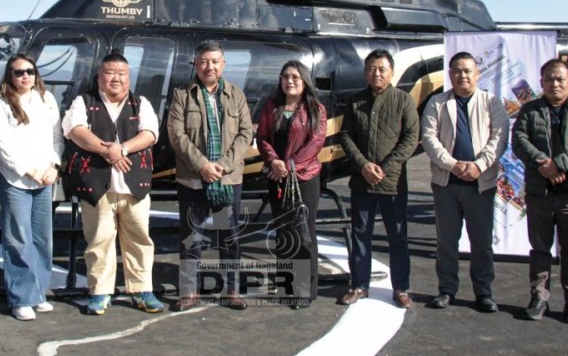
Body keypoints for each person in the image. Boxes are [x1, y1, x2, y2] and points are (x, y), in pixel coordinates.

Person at [61, 52, 164, 315]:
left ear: (129, 78)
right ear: (99, 76)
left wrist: (122, 150)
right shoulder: (83, 101)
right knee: (99, 241)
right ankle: (100, 293)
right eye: (110, 72)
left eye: (122, 74)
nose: (115, 78)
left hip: (134, 189)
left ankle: (142, 291)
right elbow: (75, 131)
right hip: (97, 188)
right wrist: (106, 151)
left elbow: (150, 134)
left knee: (140, 240)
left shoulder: (141, 103)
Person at [167, 40, 254, 312]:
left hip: (227, 181)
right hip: (193, 179)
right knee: (191, 236)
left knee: (229, 236)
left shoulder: (236, 95)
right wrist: (202, 165)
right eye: (204, 61)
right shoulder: (182, 94)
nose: (209, 66)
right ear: (195, 63)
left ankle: (232, 289)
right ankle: (189, 291)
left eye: (215, 61)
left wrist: (223, 166)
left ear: (223, 64)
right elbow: (176, 135)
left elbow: (245, 134)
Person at [420, 51, 509, 312]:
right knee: (446, 241)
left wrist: (479, 165)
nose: (462, 75)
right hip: (446, 183)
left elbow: (499, 138)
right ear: (450, 75)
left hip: (480, 184)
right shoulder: (436, 103)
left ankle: (484, 292)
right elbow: (429, 138)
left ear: (477, 74)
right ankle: (446, 290)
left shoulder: (492, 102)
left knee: (481, 242)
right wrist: (453, 165)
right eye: (457, 71)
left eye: (467, 70)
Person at [512, 59, 568, 324]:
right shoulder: (529, 111)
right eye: (549, 79)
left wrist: (558, 164)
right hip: (540, 193)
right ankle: (539, 297)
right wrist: (543, 164)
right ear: (541, 83)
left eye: (560, 79)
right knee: (540, 248)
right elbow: (519, 142)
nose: (555, 83)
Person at [338, 49, 419, 308]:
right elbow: (346, 136)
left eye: (382, 69)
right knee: (361, 234)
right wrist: (363, 165)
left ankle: (401, 288)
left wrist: (385, 167)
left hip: (392, 182)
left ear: (392, 72)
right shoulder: (355, 101)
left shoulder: (404, 101)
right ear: (365, 72)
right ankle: (359, 285)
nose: (376, 73)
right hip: (362, 182)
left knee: (398, 236)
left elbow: (410, 139)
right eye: (372, 68)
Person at [0, 54, 63, 321]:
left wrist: (53, 166)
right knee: (18, 238)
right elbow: (1, 144)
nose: (25, 76)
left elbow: (56, 137)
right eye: (19, 72)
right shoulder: (1, 104)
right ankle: (21, 297)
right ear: (10, 75)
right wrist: (29, 170)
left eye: (29, 71)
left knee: (43, 238)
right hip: (16, 179)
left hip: (45, 178)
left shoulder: (46, 99)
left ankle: (39, 292)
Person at [255, 61, 327, 309]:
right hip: (277, 177)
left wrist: (290, 165)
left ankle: (305, 291)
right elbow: (262, 137)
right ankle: (287, 288)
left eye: (295, 77)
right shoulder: (271, 107)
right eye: (285, 76)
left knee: (303, 233)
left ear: (305, 80)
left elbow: (315, 142)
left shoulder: (315, 108)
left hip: (303, 178)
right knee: (284, 233)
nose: (290, 81)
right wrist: (274, 161)